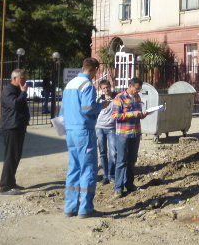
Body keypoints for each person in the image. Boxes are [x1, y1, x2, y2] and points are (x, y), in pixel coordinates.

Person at [60, 58, 107, 218]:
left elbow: (62, 110)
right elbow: (88, 109)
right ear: (94, 69)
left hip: (70, 131)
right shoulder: (87, 85)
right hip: (84, 131)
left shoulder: (70, 84)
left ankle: (70, 207)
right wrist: (102, 105)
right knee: (88, 168)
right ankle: (86, 209)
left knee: (74, 167)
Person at [112, 77, 148, 198]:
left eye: (139, 89)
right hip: (123, 133)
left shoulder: (137, 97)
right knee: (121, 160)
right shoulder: (120, 98)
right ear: (130, 86)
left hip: (136, 132)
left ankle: (129, 184)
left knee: (132, 160)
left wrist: (142, 114)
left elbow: (139, 113)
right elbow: (115, 115)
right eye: (136, 89)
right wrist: (132, 114)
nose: (138, 91)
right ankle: (118, 187)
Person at [0, 69, 30, 195]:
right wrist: (23, 93)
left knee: (16, 156)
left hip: (18, 126)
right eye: (22, 78)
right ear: (15, 78)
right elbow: (15, 104)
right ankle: (5, 186)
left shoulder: (18, 90)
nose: (24, 81)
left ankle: (11, 182)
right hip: (11, 127)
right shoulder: (8, 90)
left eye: (25, 78)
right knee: (11, 156)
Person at [96, 80, 117, 185]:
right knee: (103, 153)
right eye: (104, 88)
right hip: (100, 128)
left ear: (110, 86)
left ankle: (112, 175)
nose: (106, 90)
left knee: (113, 153)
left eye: (107, 87)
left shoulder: (116, 98)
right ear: (101, 89)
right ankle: (105, 175)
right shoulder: (100, 100)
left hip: (112, 128)